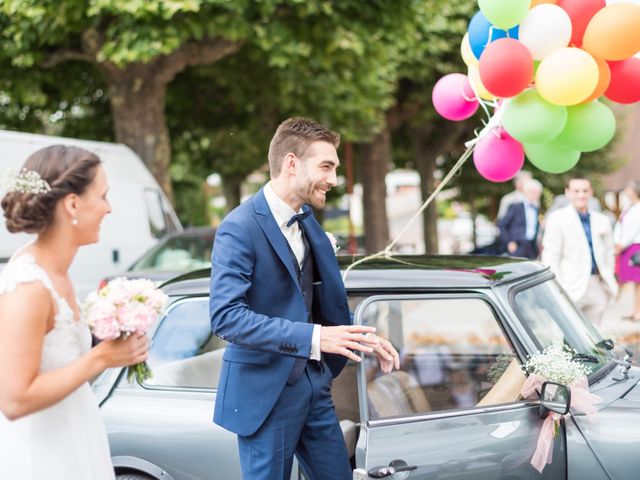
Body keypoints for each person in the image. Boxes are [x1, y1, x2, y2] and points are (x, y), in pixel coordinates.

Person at [209, 117, 399, 480]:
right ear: (291, 163)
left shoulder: (308, 221)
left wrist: (359, 336)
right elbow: (226, 317)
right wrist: (315, 337)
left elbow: (318, 302)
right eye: (326, 166)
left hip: (314, 383)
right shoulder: (239, 227)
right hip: (265, 393)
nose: (334, 179)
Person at [0, 146, 149, 479]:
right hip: (42, 457)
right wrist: (102, 358)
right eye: (103, 196)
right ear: (72, 204)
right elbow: (14, 399)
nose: (109, 209)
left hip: (75, 437)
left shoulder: (60, 273)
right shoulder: (29, 286)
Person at [541, 177, 618, 326]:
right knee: (569, 333)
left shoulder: (602, 220)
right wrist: (558, 285)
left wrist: (608, 273)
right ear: (568, 193)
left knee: (594, 336)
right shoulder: (557, 219)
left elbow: (609, 252)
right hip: (569, 284)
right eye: (576, 191)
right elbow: (551, 255)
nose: (581, 195)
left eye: (585, 190)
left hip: (596, 284)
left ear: (591, 192)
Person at [614, 180, 640, 320]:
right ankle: (635, 310)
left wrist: (621, 245)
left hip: (635, 246)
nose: (626, 191)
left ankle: (638, 311)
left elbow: (633, 229)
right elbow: (621, 225)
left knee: (639, 281)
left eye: (628, 188)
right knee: (635, 282)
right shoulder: (628, 206)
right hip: (626, 246)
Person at [498, 178, 542, 259]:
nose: (535, 195)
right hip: (517, 246)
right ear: (526, 192)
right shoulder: (515, 207)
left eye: (537, 193)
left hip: (532, 247)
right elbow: (502, 224)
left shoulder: (536, 209)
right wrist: (509, 242)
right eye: (533, 192)